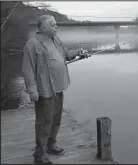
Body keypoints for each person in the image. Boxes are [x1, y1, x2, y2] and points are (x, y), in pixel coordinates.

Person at [22, 15, 88, 164]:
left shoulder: (56, 40)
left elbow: (66, 55)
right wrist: (32, 90)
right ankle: (39, 154)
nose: (56, 27)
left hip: (59, 87)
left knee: (56, 120)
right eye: (53, 25)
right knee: (44, 122)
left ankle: (51, 145)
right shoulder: (32, 45)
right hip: (44, 90)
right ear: (44, 28)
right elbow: (28, 70)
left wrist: (79, 53)